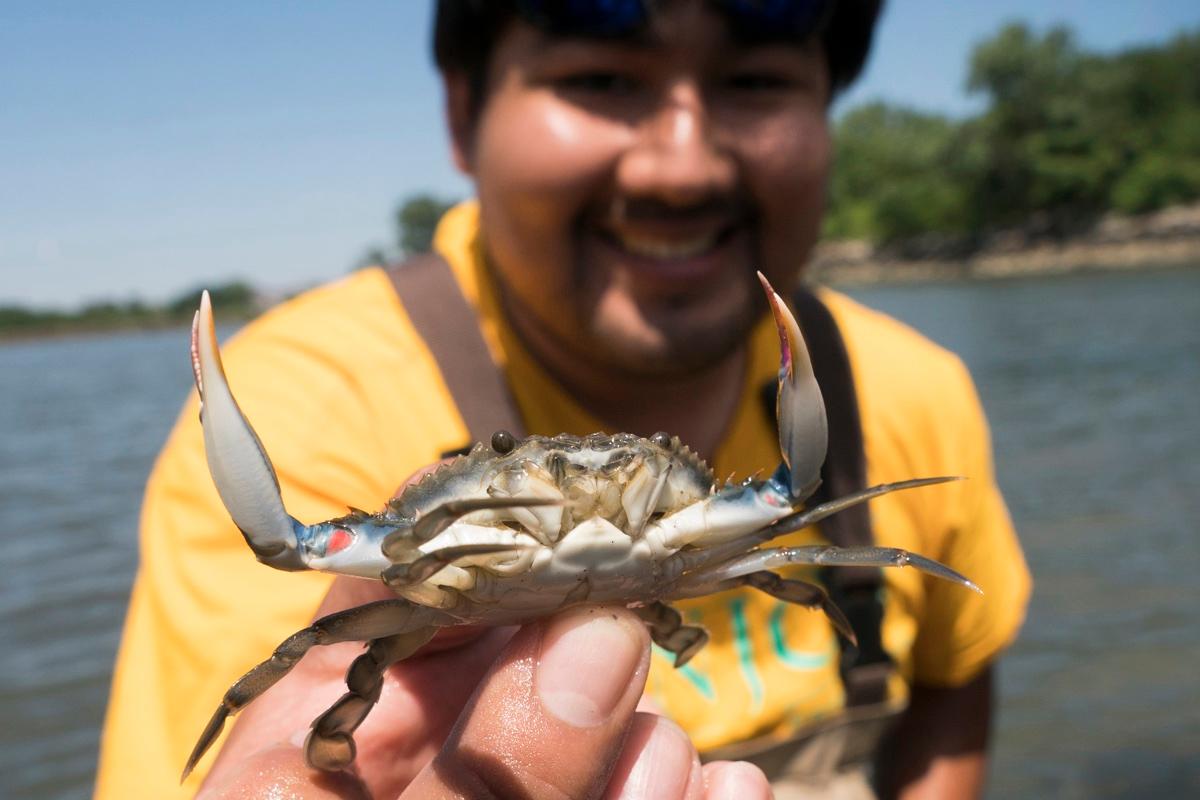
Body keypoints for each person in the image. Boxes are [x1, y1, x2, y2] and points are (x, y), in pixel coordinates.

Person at [95, 1, 1031, 798]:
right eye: (602, 80)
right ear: (462, 116)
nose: (680, 165)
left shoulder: (907, 387)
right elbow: (288, 556)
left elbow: (950, 683)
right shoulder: (312, 400)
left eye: (752, 82)